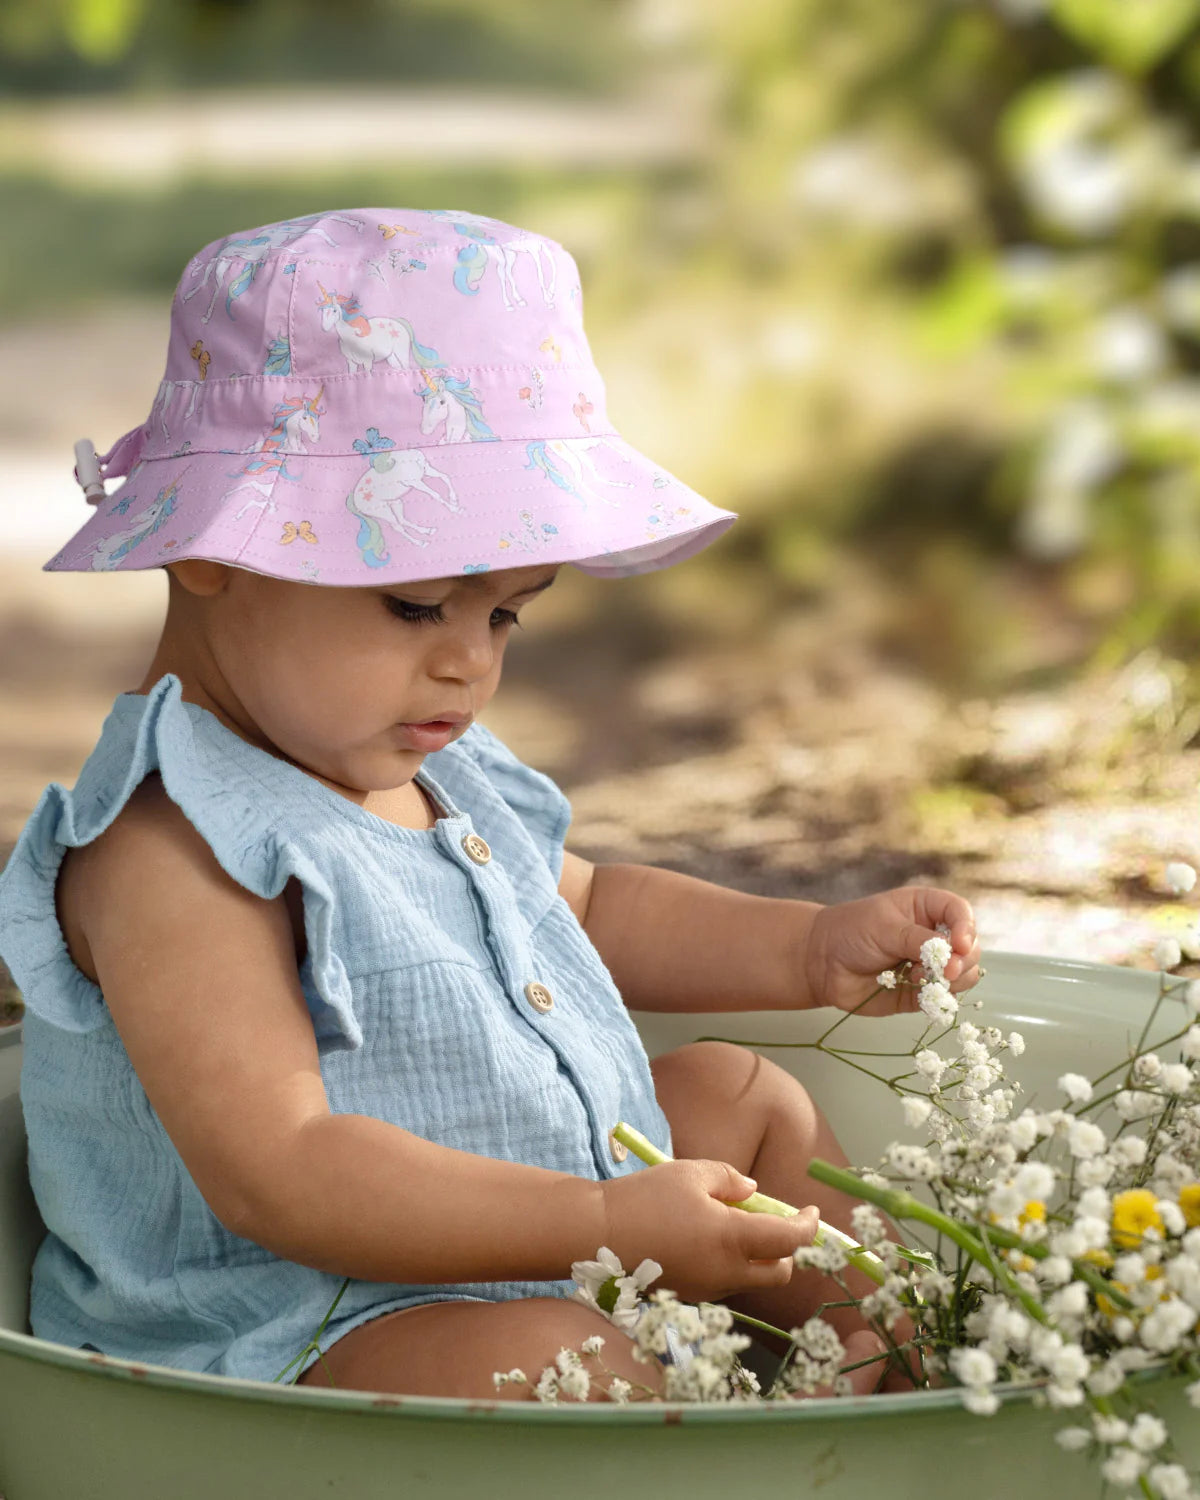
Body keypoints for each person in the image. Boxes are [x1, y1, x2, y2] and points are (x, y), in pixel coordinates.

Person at [0, 206, 980, 1402]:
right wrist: (602, 1218)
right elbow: (285, 1172)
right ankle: (719, 1446)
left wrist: (809, 947)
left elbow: (596, 908)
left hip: (552, 1221)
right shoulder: (171, 846)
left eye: (507, 611)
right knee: (557, 1361)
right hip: (300, 1321)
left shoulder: (422, 762)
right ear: (214, 545)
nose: (469, 662)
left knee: (743, 1097)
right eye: (418, 606)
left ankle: (905, 1387)